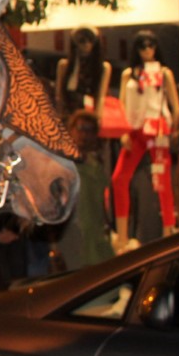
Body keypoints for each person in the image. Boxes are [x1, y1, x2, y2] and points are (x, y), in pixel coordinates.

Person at [111, 29, 179, 250]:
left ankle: (168, 231)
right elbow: (122, 104)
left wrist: (174, 129)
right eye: (143, 46)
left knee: (162, 182)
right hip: (135, 130)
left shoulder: (164, 73)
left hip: (157, 130)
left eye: (151, 45)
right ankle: (122, 235)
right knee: (119, 178)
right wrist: (123, 131)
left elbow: (176, 106)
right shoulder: (129, 75)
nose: (147, 50)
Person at [53, 110, 115, 270]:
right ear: (70, 130)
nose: (84, 135)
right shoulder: (60, 166)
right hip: (70, 243)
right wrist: (53, 246)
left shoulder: (96, 167)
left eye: (90, 130)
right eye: (80, 128)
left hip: (96, 243)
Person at [54, 26, 111, 123]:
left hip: (89, 114)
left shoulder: (102, 67)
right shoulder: (64, 65)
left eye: (90, 41)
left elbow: (101, 96)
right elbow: (59, 95)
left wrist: (97, 119)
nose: (86, 44)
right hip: (69, 114)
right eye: (82, 41)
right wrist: (59, 116)